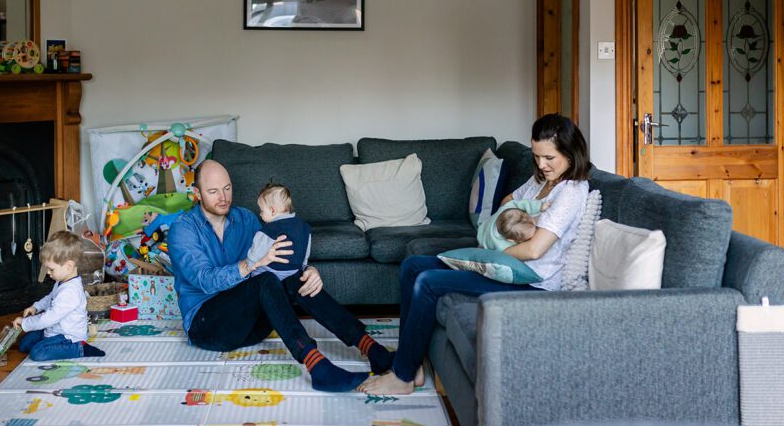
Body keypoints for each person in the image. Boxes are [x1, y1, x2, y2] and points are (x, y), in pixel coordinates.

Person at [359, 113, 591, 396]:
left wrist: (490, 253)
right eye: (537, 156)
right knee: (412, 266)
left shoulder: (571, 192)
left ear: (570, 153)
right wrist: (505, 226)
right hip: (503, 265)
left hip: (529, 281)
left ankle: (403, 376)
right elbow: (508, 201)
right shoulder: (541, 180)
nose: (542, 165)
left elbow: (534, 249)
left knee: (428, 282)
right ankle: (413, 363)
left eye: (549, 158)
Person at [168, 160, 393, 393]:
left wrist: (308, 271)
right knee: (264, 280)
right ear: (197, 193)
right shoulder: (183, 229)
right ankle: (318, 368)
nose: (223, 197)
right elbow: (205, 280)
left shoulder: (245, 219)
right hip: (208, 327)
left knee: (296, 279)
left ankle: (373, 350)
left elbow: (277, 260)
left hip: (250, 325)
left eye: (227, 188)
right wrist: (251, 264)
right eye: (213, 191)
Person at [12, 230, 105, 361]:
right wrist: (36, 307)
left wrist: (25, 322)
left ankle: (80, 349)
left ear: (69, 266)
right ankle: (46, 341)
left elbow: (48, 319)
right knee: (24, 345)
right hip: (54, 330)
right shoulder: (62, 281)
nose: (48, 273)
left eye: (51, 269)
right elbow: (51, 297)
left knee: (37, 353)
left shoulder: (71, 292)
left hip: (68, 337)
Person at [246, 182, 310, 280]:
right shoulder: (304, 226)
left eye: (262, 210)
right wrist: (303, 265)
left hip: (272, 272)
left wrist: (249, 264)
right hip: (295, 271)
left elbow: (256, 253)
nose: (260, 214)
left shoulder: (269, 229)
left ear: (272, 210)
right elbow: (306, 249)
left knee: (255, 273)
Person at [478, 198, 551, 252]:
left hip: (489, 222)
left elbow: (524, 204)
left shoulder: (509, 206)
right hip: (482, 235)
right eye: (528, 238)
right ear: (512, 241)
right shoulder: (501, 246)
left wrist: (539, 207)